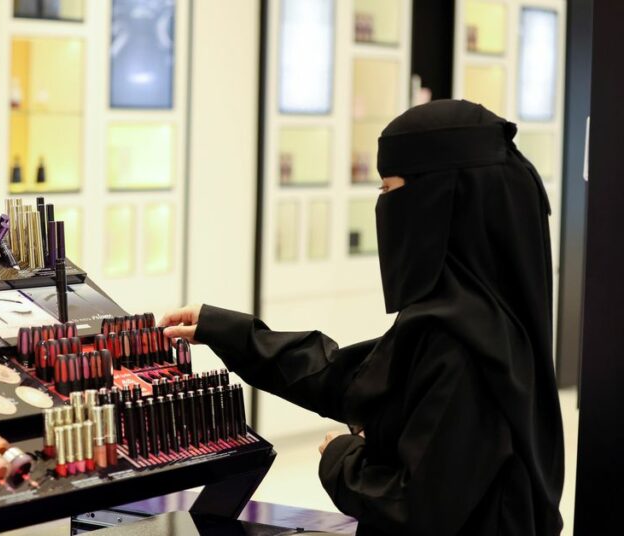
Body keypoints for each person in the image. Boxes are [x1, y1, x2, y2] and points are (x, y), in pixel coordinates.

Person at [160, 100, 564, 535]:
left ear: (439, 203)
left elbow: (414, 506)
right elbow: (350, 379)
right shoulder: (470, 323)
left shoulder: (463, 345)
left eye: (388, 191)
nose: (383, 208)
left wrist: (341, 457)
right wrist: (228, 330)